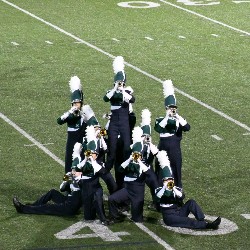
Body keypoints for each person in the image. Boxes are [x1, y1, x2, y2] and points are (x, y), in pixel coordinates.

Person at [155, 150, 221, 230]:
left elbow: (181, 196)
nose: (169, 182)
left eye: (170, 180)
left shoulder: (174, 188)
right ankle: (208, 226)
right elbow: (158, 197)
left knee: (191, 202)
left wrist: (173, 188)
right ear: (163, 181)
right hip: (169, 217)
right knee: (188, 221)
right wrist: (165, 187)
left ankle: (201, 219)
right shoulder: (159, 189)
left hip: (178, 212)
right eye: (167, 180)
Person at [108, 127, 158, 223]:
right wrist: (130, 159)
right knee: (112, 199)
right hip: (127, 189)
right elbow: (120, 169)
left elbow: (148, 169)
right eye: (136, 153)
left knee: (137, 219)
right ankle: (114, 217)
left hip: (138, 192)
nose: (137, 155)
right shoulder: (130, 160)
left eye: (138, 154)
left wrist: (140, 159)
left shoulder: (145, 163)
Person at [154, 80, 190, 189]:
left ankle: (178, 198)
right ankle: (158, 199)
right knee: (160, 172)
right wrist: (167, 117)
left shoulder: (179, 120)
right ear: (166, 108)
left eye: (173, 108)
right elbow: (158, 129)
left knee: (176, 172)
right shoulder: (160, 119)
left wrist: (177, 117)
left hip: (175, 149)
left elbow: (187, 127)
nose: (172, 110)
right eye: (170, 108)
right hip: (163, 148)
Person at [103, 56, 135, 172]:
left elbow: (132, 100)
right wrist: (115, 88)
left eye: (121, 82)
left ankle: (126, 171)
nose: (120, 84)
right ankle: (105, 171)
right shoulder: (110, 92)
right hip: (114, 123)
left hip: (124, 123)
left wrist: (121, 90)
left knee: (127, 148)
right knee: (112, 150)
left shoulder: (126, 92)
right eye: (118, 82)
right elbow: (106, 98)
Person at [74, 126, 110, 225]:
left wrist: (93, 161)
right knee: (89, 217)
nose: (95, 155)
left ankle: (103, 218)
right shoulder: (82, 161)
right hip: (86, 185)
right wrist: (86, 159)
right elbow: (77, 170)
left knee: (98, 196)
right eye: (93, 153)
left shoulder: (95, 162)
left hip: (95, 183)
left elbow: (103, 171)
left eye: (95, 153)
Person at [13, 169, 82, 216]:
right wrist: (66, 179)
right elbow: (62, 188)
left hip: (70, 207)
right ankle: (33, 205)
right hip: (68, 201)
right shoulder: (73, 177)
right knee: (52, 192)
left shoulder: (82, 180)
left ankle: (22, 209)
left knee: (48, 207)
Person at [57, 76, 87, 173]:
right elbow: (59, 121)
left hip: (82, 140)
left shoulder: (85, 113)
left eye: (78, 103)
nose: (76, 105)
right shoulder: (69, 115)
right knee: (70, 159)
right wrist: (69, 112)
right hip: (72, 140)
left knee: (82, 160)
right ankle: (69, 182)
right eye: (74, 103)